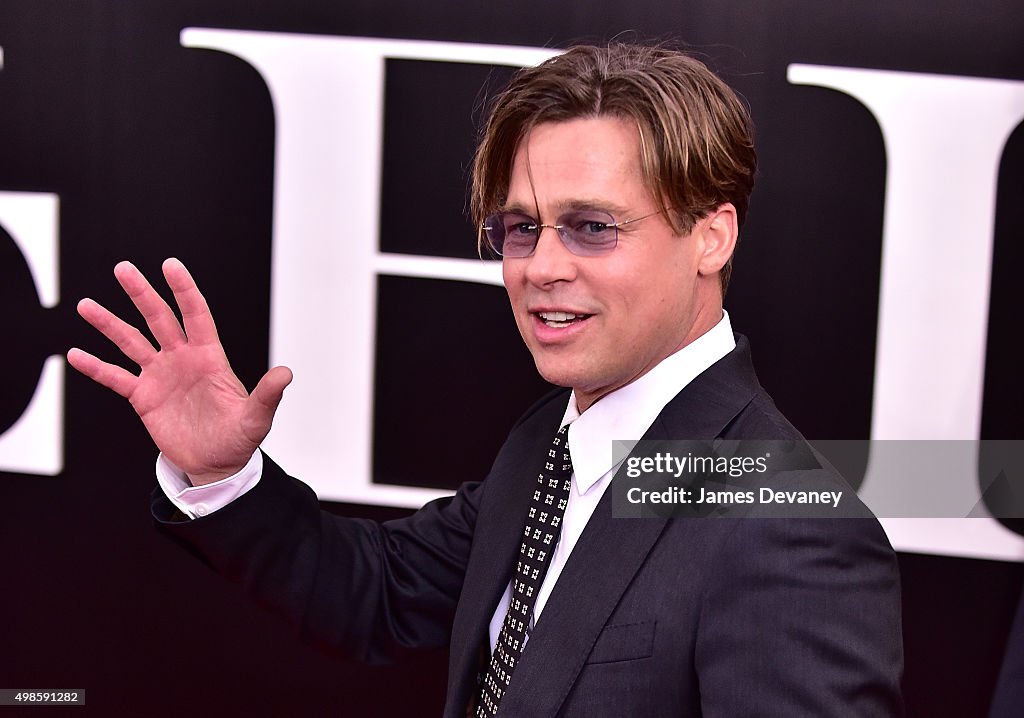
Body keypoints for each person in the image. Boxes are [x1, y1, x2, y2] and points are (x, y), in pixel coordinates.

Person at [68, 43, 903, 716]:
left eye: (592, 228)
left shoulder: (788, 521)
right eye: (519, 228)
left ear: (711, 236)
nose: (539, 267)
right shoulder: (552, 437)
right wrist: (221, 475)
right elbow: (380, 594)